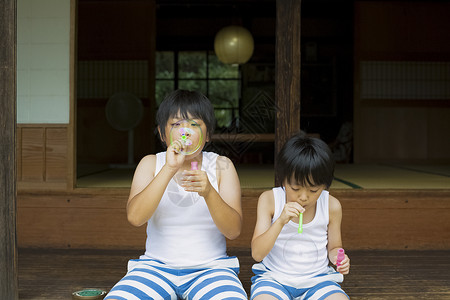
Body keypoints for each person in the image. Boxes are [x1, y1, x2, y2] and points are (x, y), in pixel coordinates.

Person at [105, 89, 247, 300]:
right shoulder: (151, 163)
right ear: (162, 134)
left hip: (211, 269)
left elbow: (233, 230)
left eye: (194, 124)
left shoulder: (221, 166)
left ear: (208, 135)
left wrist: (208, 192)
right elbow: (135, 217)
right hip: (155, 268)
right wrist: (169, 169)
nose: (185, 131)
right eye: (176, 124)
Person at [250, 133, 350, 300]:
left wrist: (339, 259)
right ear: (283, 179)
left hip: (318, 280)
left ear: (325, 185)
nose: (303, 197)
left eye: (313, 191)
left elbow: (334, 248)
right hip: (275, 279)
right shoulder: (269, 200)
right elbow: (257, 254)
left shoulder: (331, 206)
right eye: (295, 189)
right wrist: (280, 221)